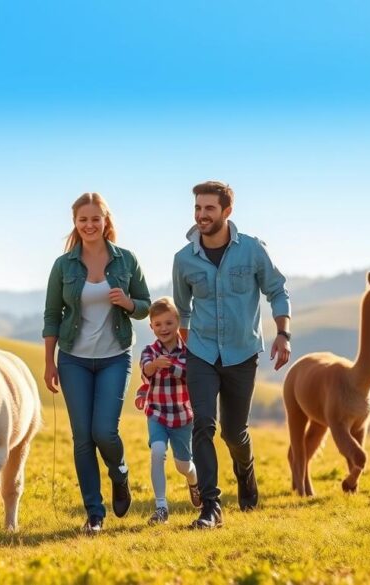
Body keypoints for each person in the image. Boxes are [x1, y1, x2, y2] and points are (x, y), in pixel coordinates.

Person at [172, 180, 292, 529]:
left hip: (241, 353)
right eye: (198, 208)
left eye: (209, 208)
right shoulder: (183, 259)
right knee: (203, 425)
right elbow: (182, 310)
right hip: (202, 353)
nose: (202, 215)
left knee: (234, 432)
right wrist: (186, 348)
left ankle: (246, 475)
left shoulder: (252, 250)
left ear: (227, 211)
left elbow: (277, 290)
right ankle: (211, 508)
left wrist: (283, 333)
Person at [43, 192, 151, 534]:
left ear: (106, 221)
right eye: (82, 220)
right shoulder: (63, 266)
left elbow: (146, 304)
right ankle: (94, 513)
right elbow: (51, 315)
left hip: (114, 357)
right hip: (73, 358)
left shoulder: (126, 260)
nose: (89, 225)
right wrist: (49, 362)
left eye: (95, 219)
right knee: (82, 438)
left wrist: (129, 303)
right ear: (75, 223)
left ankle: (119, 474)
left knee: (104, 431)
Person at [135, 297, 201, 525]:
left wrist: (171, 367)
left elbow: (190, 374)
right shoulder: (149, 351)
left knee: (183, 465)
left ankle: (194, 481)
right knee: (157, 450)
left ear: (177, 323)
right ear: (151, 326)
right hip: (157, 413)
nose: (164, 329)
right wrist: (153, 366)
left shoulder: (188, 351)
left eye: (169, 323)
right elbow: (145, 371)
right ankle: (161, 506)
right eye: (158, 324)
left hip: (183, 416)